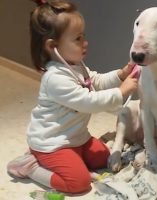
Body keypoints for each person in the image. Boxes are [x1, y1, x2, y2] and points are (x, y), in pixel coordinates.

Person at [7, 0, 138, 194]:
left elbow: (96, 80)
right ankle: (31, 166)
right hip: (52, 143)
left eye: (83, 36)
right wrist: (121, 92)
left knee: (104, 157)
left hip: (75, 138)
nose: (85, 43)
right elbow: (88, 102)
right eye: (77, 39)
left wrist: (120, 74)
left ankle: (71, 157)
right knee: (79, 183)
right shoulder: (55, 79)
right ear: (53, 46)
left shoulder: (76, 66)